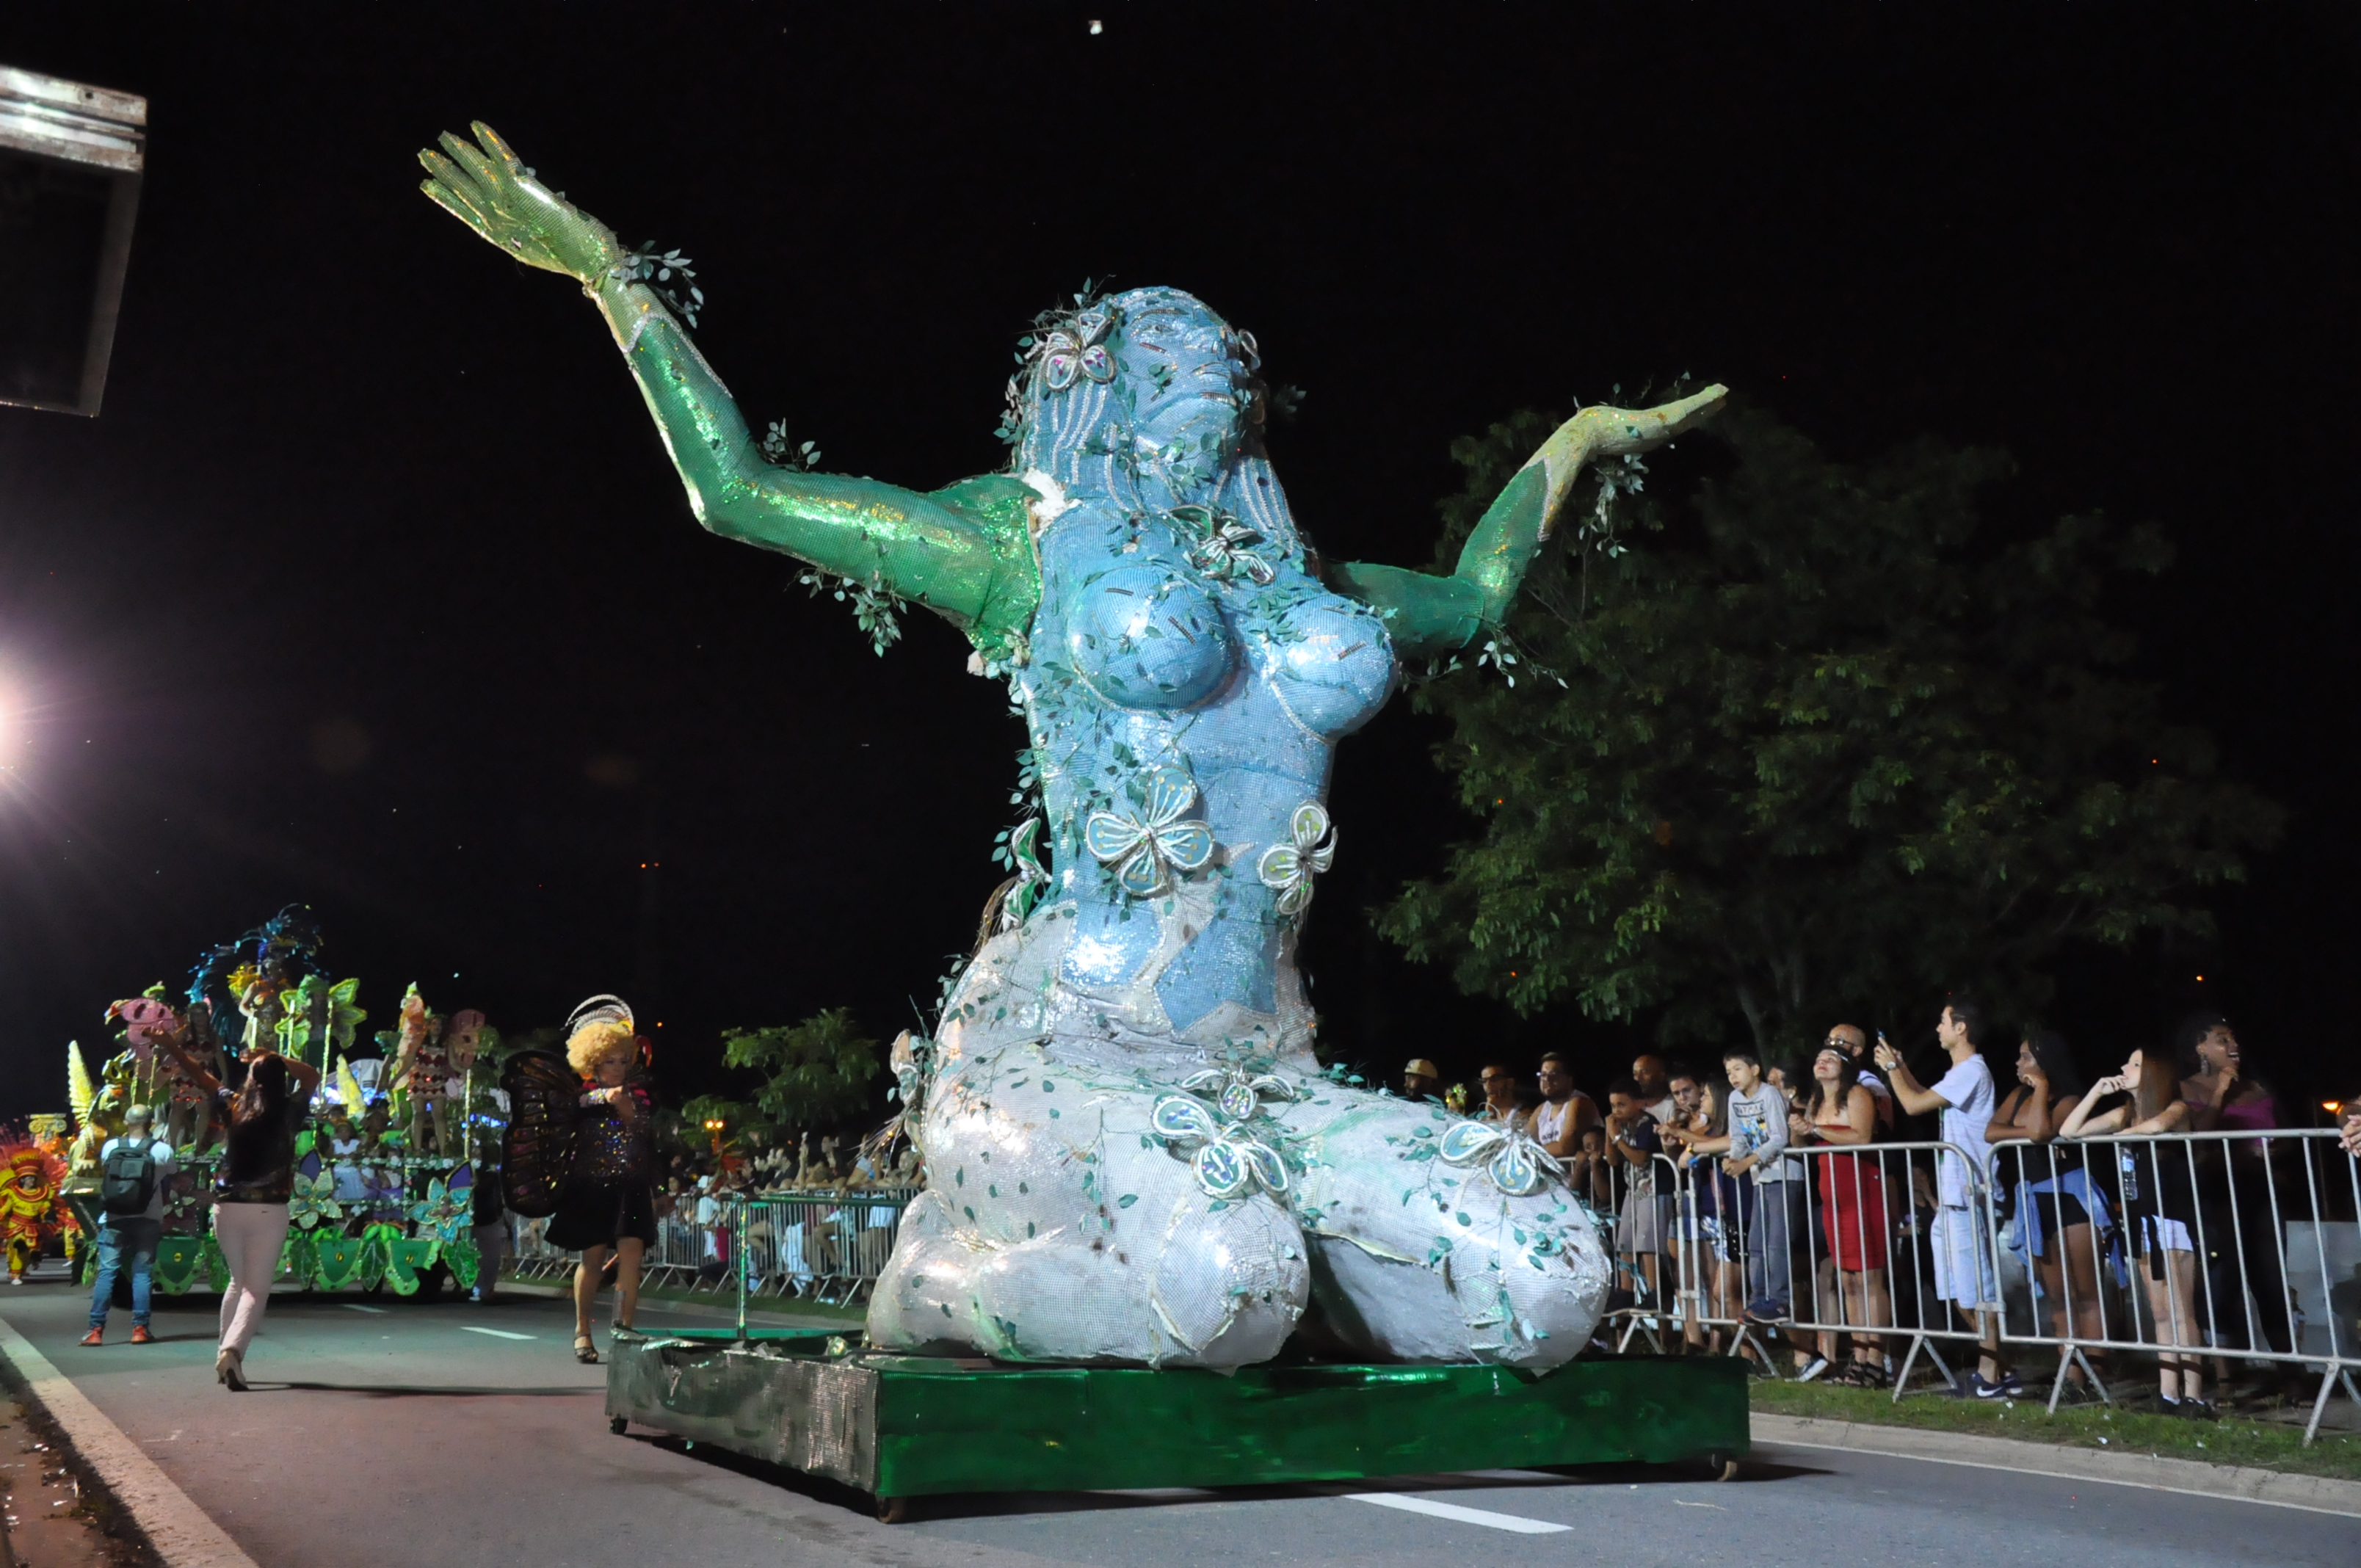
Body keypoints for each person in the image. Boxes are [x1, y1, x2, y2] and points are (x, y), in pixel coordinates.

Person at [159, 1031, 321, 1390]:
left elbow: (200, 1075)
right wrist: (275, 1056)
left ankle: (223, 1357)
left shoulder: (234, 1105)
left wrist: (170, 1045)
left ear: (252, 1080)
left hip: (227, 1209)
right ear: (281, 1081)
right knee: (256, 1290)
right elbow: (311, 1075)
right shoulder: (291, 1110)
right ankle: (232, 1352)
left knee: (238, 1281)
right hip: (268, 1210)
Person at [2060, 1048, 2213, 1418]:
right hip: (2141, 1221)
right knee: (2159, 1312)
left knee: (2181, 1310)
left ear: (2153, 1073)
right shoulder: (2125, 1112)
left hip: (2173, 1220)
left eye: (2134, 1064)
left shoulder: (2176, 1108)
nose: (2124, 1068)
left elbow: (2158, 1128)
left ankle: (2193, 1394)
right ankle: (2168, 1393)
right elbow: (2069, 1131)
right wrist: (2096, 1092)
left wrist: (2120, 1136)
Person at [1874, 997, 2013, 1397]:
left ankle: (1993, 1375)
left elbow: (1913, 1104)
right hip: (1953, 1197)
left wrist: (1891, 1070)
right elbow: (1922, 1092)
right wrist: (1901, 1067)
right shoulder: (1959, 1072)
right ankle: (1999, 1368)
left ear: (1961, 1027)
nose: (1938, 1028)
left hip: (1971, 1195)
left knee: (1977, 1293)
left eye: (1943, 1021)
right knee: (1958, 1292)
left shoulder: (1972, 1070)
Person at [2175, 1012, 2295, 1379]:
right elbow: (2198, 1142)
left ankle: (2291, 1376)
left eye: (2233, 1038)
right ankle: (2227, 1378)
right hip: (2216, 1196)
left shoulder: (2257, 1087)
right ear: (2200, 1047)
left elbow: (2289, 1136)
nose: (2234, 1045)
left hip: (2262, 1195)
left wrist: (2275, 1154)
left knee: (2271, 1283)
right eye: (2222, 1039)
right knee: (2221, 1285)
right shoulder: (2185, 1090)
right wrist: (2220, 1092)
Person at [1985, 1031, 2106, 1393]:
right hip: (2035, 1198)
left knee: (2086, 1292)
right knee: (2058, 1295)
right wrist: (2028, 1128)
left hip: (2071, 1196)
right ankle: (2071, 1375)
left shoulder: (2069, 1098)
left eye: (2026, 1057)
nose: (2018, 1063)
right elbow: (1992, 1132)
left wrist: (2040, 1091)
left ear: (2046, 1061)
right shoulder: (2017, 1095)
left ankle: (2095, 1374)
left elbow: (2040, 1132)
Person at [545, 998, 656, 1363]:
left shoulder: (639, 1096)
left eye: (623, 1061)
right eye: (610, 1061)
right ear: (592, 1061)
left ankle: (623, 1333)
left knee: (631, 1257)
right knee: (592, 1259)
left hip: (632, 1188)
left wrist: (629, 1113)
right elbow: (575, 1108)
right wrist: (603, 1097)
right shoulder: (579, 1098)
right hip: (591, 1188)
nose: (619, 1068)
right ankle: (583, 1330)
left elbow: (647, 1137)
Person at [1791, 1047, 1890, 1385]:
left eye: (1830, 1059)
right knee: (1847, 1279)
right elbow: (1801, 1144)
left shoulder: (1857, 1094)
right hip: (1833, 1200)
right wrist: (1798, 1126)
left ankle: (1876, 1360)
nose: (1822, 1062)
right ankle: (1858, 1357)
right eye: (1818, 1057)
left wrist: (1815, 1128)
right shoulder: (1816, 1101)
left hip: (1861, 1193)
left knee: (1868, 1279)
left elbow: (1862, 1136)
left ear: (1846, 1067)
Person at [79, 1105, 175, 1347]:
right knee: (142, 1274)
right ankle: (140, 1329)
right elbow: (170, 1176)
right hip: (148, 1218)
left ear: (125, 1121)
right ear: (151, 1123)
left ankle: (95, 1331)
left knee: (107, 1272)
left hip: (114, 1218)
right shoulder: (163, 1150)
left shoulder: (111, 1147)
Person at [1603, 1078, 1669, 1319]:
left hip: (1654, 1189)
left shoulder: (1646, 1123)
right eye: (1613, 1106)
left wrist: (1617, 1139)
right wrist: (1610, 1134)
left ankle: (1654, 1292)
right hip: (1633, 1190)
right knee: (1625, 1242)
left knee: (1647, 1242)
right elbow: (1612, 1160)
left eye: (1621, 1105)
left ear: (1638, 1103)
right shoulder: (1621, 1126)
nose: (1616, 1111)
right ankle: (1626, 1290)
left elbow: (1640, 1158)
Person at [1826, 1023, 1895, 1131]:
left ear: (1856, 1051)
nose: (1831, 1046)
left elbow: (1883, 1122)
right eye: (1830, 1041)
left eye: (1839, 1042)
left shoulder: (1868, 1081)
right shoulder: (1830, 1081)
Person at [1531, 1053, 1600, 1159]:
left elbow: (1565, 1147)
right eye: (1543, 1075)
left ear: (1569, 1078)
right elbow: (1522, 1140)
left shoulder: (1579, 1102)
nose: (1547, 1079)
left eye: (1554, 1074)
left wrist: (1532, 1150)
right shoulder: (1541, 1109)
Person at [1473, 1064, 1528, 1130]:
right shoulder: (1485, 1114)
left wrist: (1491, 1116)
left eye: (1494, 1079)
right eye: (1484, 1081)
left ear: (1510, 1083)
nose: (1488, 1085)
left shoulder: (1524, 1115)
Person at [1632, 1055, 1678, 1127]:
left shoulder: (1673, 1107)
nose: (1637, 1078)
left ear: (1661, 1076)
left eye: (1645, 1072)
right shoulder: (1633, 1106)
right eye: (1635, 1073)